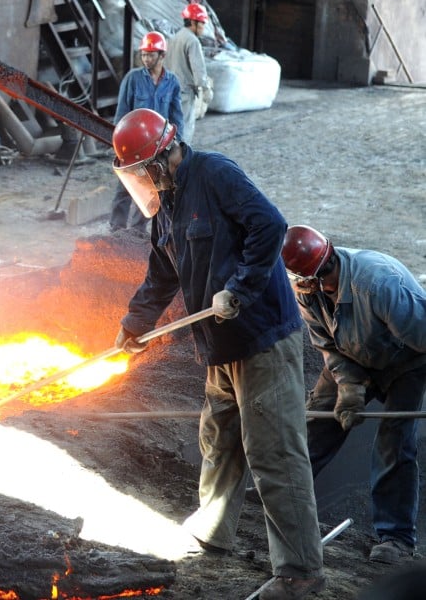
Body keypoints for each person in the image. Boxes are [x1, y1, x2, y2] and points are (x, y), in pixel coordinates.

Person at [110, 108, 324, 600]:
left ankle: (300, 572)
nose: (142, 180)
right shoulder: (163, 205)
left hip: (261, 336)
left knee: (274, 451)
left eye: (143, 170)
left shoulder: (216, 174)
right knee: (219, 439)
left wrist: (240, 288)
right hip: (219, 345)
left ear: (163, 155)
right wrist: (134, 324)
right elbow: (162, 273)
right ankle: (212, 529)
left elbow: (270, 227)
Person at [281, 224, 426, 565]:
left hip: (406, 362)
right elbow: (326, 344)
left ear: (318, 273)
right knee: (316, 421)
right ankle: (280, 499)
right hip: (352, 356)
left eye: (303, 283)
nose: (300, 289)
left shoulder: (380, 285)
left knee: (393, 442)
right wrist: (348, 387)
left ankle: (397, 538)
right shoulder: (309, 289)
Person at [108, 31, 183, 233]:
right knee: (125, 186)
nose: (146, 59)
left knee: (153, 187)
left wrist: (178, 146)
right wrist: (119, 146)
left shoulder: (172, 82)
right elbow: (122, 114)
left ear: (162, 56)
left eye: (150, 55)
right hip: (134, 145)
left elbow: (177, 116)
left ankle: (138, 229)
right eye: (143, 54)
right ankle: (116, 228)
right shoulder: (132, 79)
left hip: (159, 147)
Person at [164, 2, 209, 144]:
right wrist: (205, 88)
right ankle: (181, 161)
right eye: (202, 23)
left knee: (170, 129)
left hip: (168, 90)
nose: (203, 27)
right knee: (184, 130)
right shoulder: (192, 41)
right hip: (184, 92)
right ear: (193, 22)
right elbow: (198, 69)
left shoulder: (174, 38)